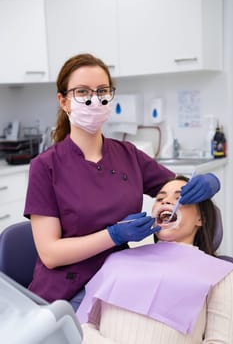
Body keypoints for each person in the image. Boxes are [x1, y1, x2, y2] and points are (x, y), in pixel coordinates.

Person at [24, 53, 220, 311]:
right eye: (82, 92)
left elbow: (175, 192)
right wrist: (113, 235)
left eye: (102, 90)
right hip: (65, 292)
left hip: (119, 277)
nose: (94, 99)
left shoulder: (128, 155)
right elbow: (50, 254)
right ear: (64, 101)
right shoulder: (45, 166)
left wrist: (209, 183)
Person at [77, 175, 233, 344]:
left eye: (179, 197)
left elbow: (220, 341)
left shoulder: (219, 273)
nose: (165, 201)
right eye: (160, 198)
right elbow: (84, 326)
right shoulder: (117, 260)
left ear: (200, 219)